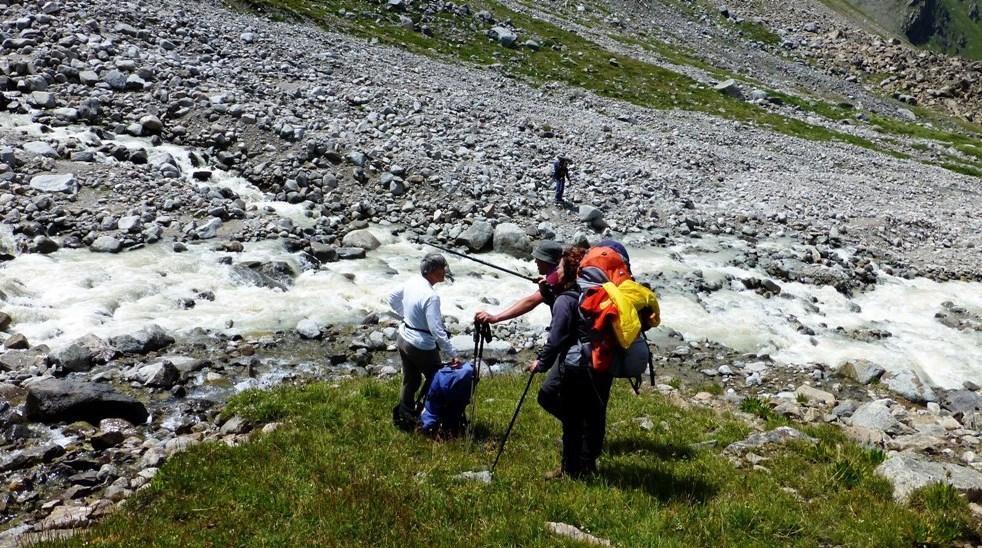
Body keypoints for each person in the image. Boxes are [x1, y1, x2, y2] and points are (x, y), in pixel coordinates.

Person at [528, 246, 613, 480]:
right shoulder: (594, 293)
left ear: (570, 272)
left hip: (576, 366)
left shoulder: (566, 299)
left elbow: (557, 337)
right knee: (595, 414)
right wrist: (548, 295)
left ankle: (570, 470)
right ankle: (588, 466)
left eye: (561, 267)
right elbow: (578, 318)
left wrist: (541, 364)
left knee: (573, 419)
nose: (558, 270)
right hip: (602, 361)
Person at [388, 253, 461, 427]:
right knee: (436, 381)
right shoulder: (431, 297)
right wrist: (453, 354)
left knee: (410, 380)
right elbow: (436, 330)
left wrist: (407, 316)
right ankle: (432, 419)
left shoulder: (413, 281)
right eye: (442, 268)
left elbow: (392, 297)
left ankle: (405, 417)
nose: (445, 271)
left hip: (403, 337)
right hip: (421, 346)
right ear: (432, 271)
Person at [473, 240, 563, 325]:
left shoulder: (554, 280)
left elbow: (530, 302)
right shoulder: (560, 273)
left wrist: (496, 318)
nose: (535, 261)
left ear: (546, 261)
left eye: (538, 259)